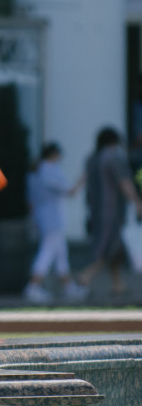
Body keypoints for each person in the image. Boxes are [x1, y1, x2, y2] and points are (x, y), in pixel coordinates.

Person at [77, 126, 142, 297]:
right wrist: (136, 201)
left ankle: (118, 283)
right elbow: (124, 182)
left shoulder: (92, 158)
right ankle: (85, 276)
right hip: (112, 210)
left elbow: (84, 180)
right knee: (107, 245)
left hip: (95, 209)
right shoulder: (114, 158)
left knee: (116, 248)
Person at [23, 142, 86, 304]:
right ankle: (33, 287)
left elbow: (31, 200)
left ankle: (69, 288)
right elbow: (70, 191)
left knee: (60, 254)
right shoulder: (48, 171)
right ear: (54, 154)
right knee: (47, 252)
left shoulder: (35, 171)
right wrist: (83, 178)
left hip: (44, 217)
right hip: (52, 218)